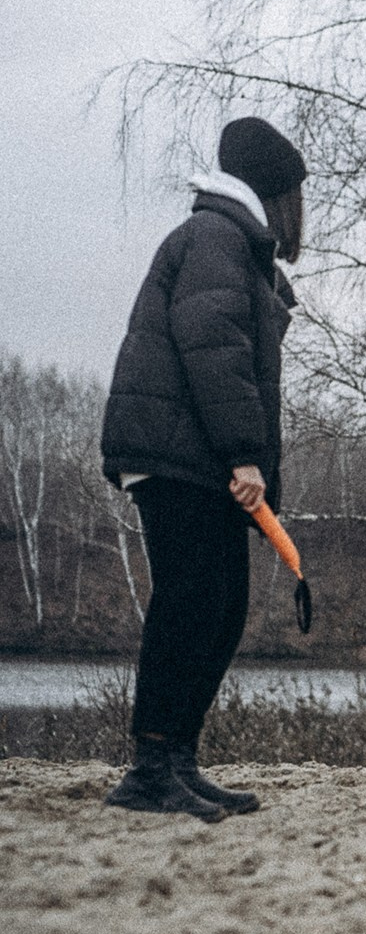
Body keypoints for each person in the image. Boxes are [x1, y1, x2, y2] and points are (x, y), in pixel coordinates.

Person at [99, 116, 307, 821]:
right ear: (272, 191)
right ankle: (150, 768)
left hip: (193, 457)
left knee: (219, 610)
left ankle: (177, 760)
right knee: (192, 604)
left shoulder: (228, 241)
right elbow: (213, 348)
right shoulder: (216, 239)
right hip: (177, 454)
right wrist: (244, 454)